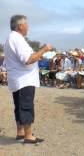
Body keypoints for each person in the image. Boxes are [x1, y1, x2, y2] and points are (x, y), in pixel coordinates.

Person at [3, 15, 52, 144]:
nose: (28, 27)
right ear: (20, 26)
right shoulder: (17, 38)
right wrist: (44, 49)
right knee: (26, 106)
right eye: (26, 24)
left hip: (19, 78)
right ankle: (28, 135)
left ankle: (20, 132)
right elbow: (27, 60)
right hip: (23, 79)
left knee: (19, 105)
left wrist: (36, 57)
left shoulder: (12, 38)